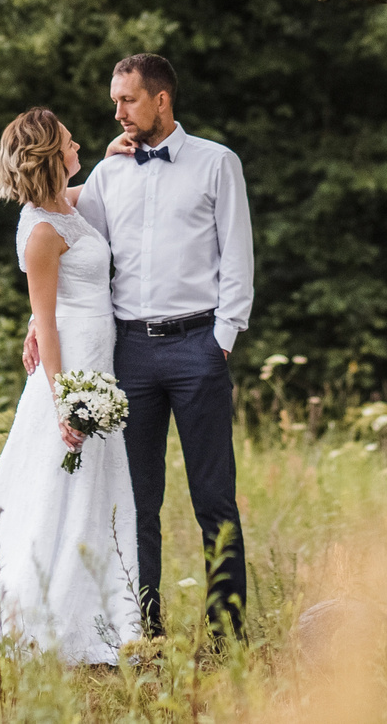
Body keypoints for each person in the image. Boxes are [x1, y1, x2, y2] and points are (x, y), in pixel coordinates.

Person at [29, 53, 253, 639]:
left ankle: (227, 633)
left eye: (127, 100)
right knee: (136, 502)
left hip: (197, 347)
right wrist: (36, 318)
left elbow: (238, 257)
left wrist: (221, 340)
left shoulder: (217, 163)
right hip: (129, 354)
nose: (119, 112)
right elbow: (70, 241)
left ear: (161, 99)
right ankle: (142, 627)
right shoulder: (108, 174)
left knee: (213, 497)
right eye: (114, 102)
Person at [0, 108, 144, 665]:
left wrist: (108, 155)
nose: (78, 143)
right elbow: (47, 321)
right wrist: (65, 403)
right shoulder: (41, 231)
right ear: (53, 154)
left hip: (99, 358)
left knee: (93, 488)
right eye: (71, 141)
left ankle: (95, 613)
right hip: (71, 365)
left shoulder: (62, 207)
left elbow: (84, 196)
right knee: (58, 487)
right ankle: (32, 624)